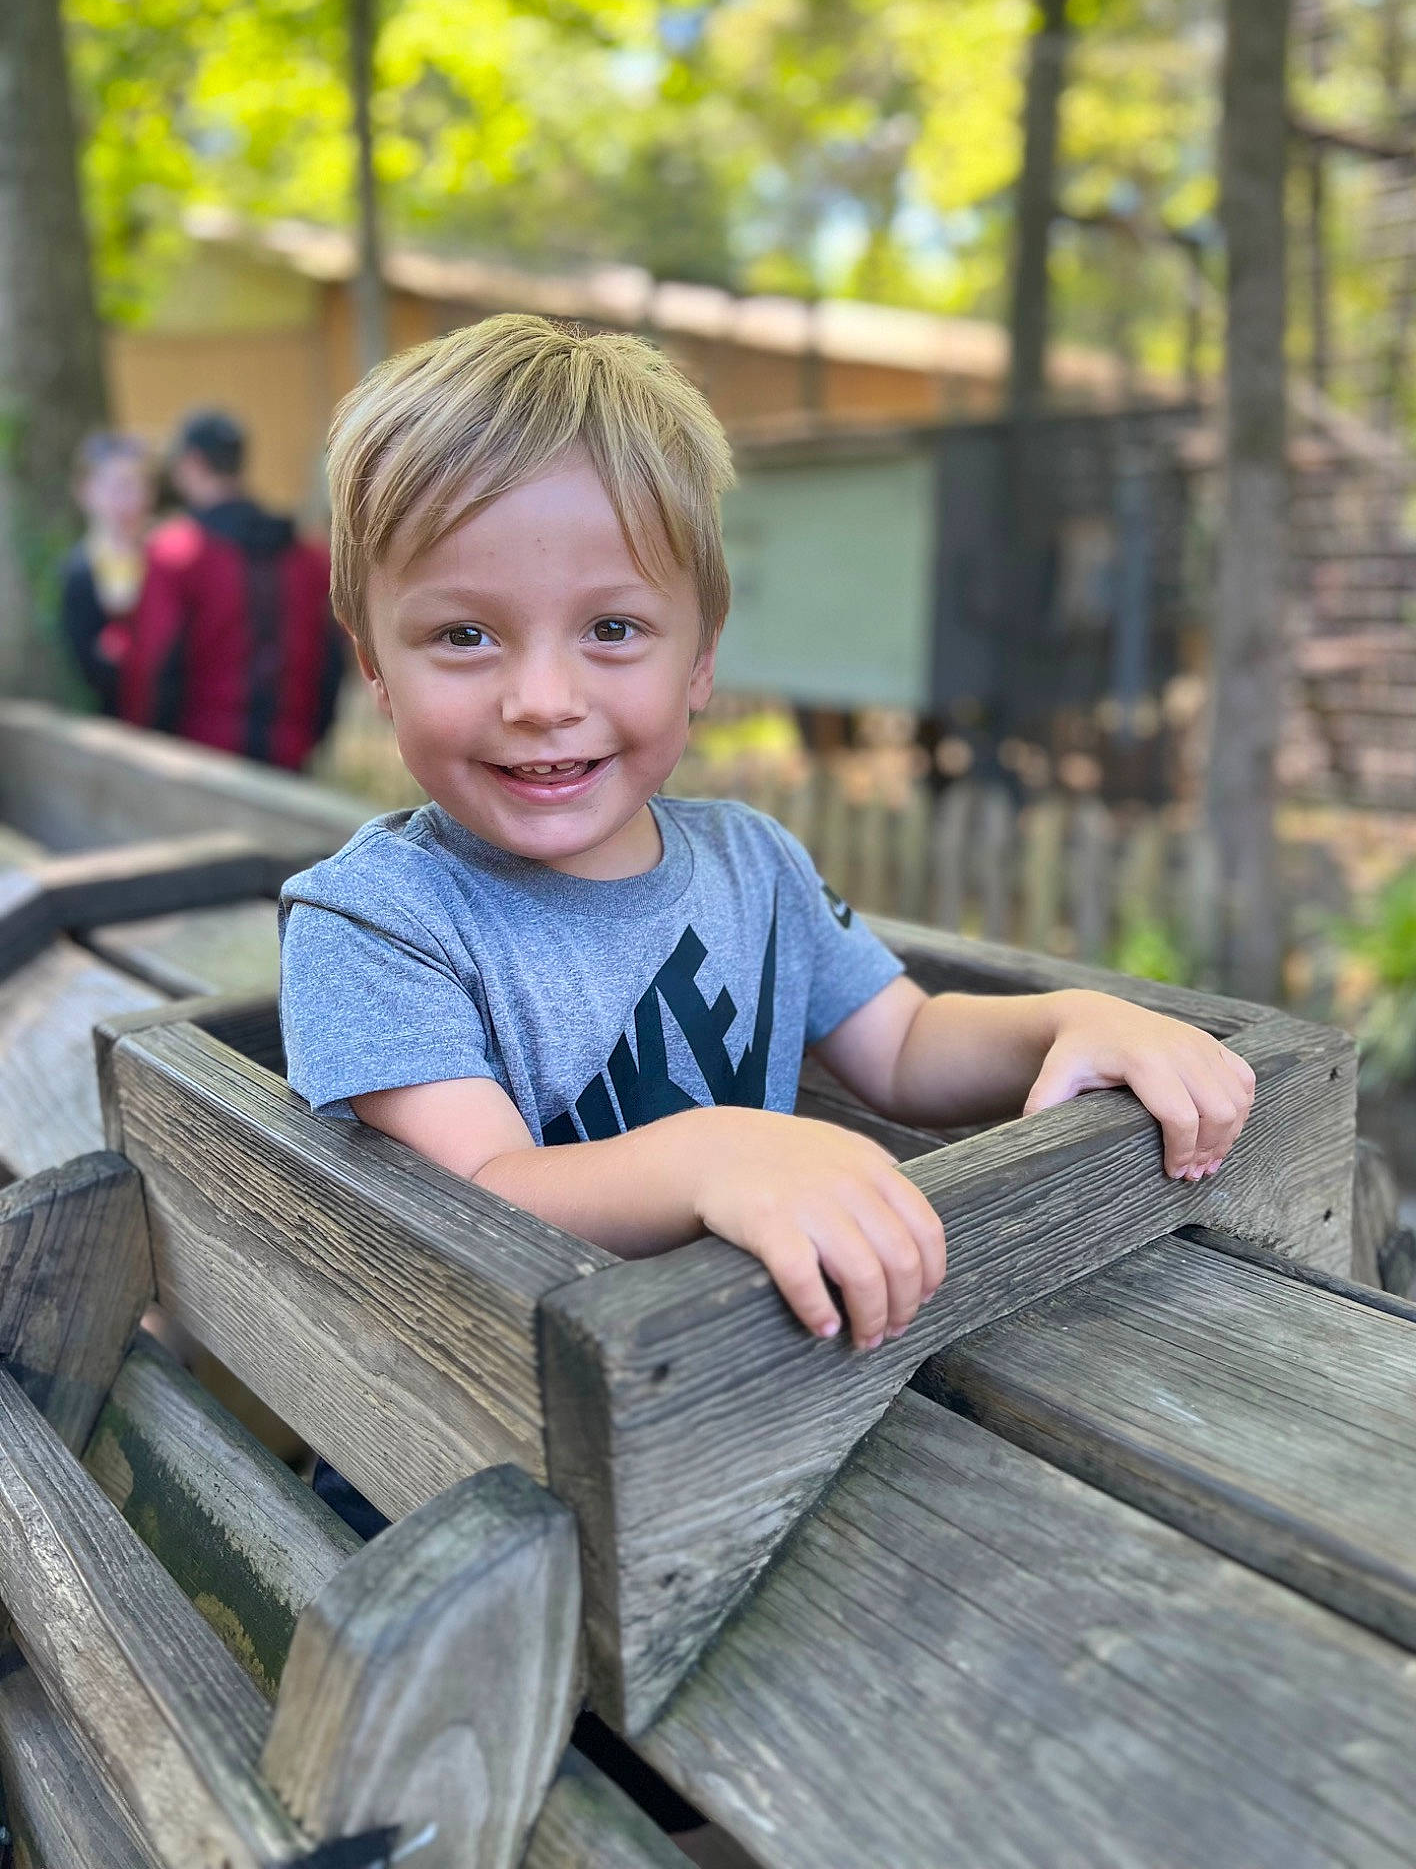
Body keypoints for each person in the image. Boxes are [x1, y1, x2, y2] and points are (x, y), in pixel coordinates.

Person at [278, 314, 1256, 1355]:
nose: (543, 697)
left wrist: (1072, 1018)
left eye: (612, 629)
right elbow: (487, 1190)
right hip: (504, 1416)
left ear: (700, 655)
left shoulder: (753, 863)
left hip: (778, 1371)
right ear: (375, 665)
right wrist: (713, 1156)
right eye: (464, 635)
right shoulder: (374, 921)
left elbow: (907, 1046)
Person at [117, 409, 344, 770]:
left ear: (190, 463)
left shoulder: (176, 554)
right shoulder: (307, 556)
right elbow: (332, 658)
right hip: (291, 758)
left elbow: (153, 666)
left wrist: (143, 742)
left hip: (196, 762)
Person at [60, 431, 155, 714]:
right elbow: (89, 669)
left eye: (133, 486)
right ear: (84, 491)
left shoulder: (168, 555)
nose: (124, 499)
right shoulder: (79, 571)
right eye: (114, 487)